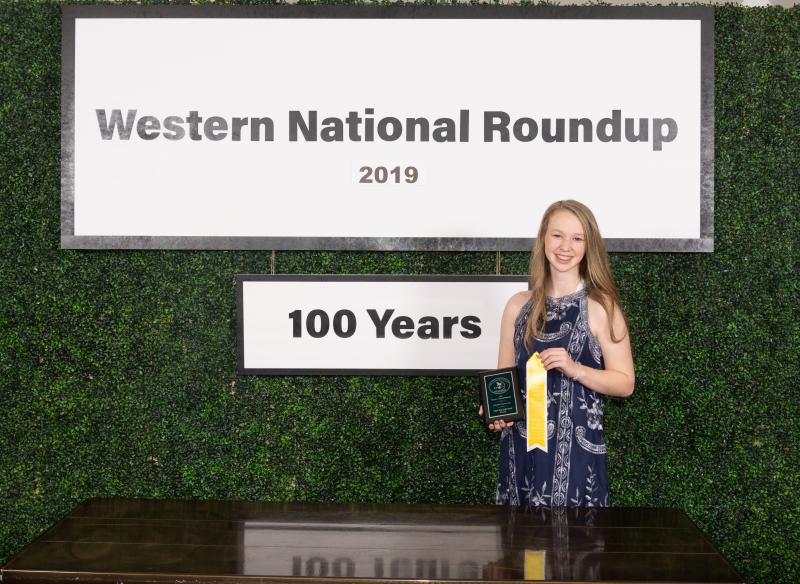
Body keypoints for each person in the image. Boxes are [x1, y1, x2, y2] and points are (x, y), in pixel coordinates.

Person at [487, 200, 634, 507]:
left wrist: (576, 369)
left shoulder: (602, 307)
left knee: (576, 536)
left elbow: (625, 383)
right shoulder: (517, 305)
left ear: (588, 246)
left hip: (578, 456)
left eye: (577, 238)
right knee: (517, 534)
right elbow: (503, 379)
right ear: (543, 238)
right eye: (557, 235)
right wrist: (497, 412)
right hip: (521, 451)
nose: (565, 246)